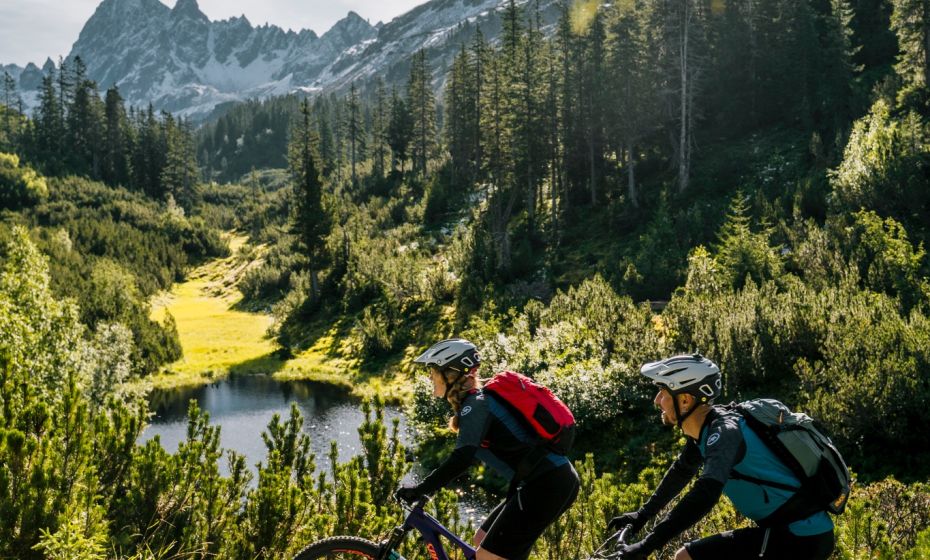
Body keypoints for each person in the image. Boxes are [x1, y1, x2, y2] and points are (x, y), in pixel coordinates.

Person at [608, 354, 835, 560]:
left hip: (799, 537)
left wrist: (648, 545)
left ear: (685, 399)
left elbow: (706, 494)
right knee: (686, 556)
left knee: (686, 558)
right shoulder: (707, 430)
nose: (657, 400)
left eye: (663, 392)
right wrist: (641, 516)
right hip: (789, 532)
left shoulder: (724, 433)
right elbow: (681, 472)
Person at [396, 338, 580, 560]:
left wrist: (421, 488)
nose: (430, 377)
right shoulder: (476, 403)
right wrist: (427, 488)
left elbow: (462, 458)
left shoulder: (475, 406)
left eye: (434, 371)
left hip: (547, 484)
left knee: (486, 557)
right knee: (481, 540)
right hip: (545, 482)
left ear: (451, 373)